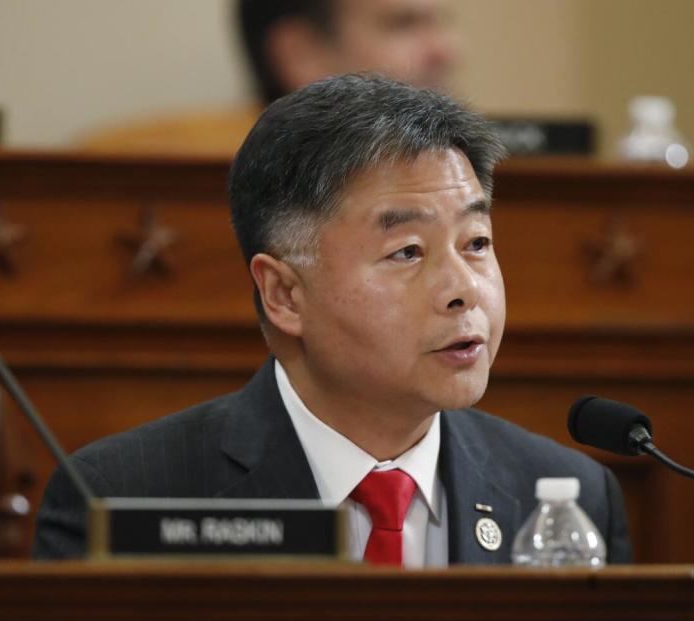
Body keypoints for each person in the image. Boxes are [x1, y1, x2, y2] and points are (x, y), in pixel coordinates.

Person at [36, 74, 632, 565]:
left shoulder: (566, 496)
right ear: (285, 295)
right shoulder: (120, 498)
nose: (462, 290)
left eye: (476, 242)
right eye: (407, 252)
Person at [78, 0, 459, 156]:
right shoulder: (145, 165)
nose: (448, 50)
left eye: (442, 23)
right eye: (403, 25)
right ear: (300, 54)